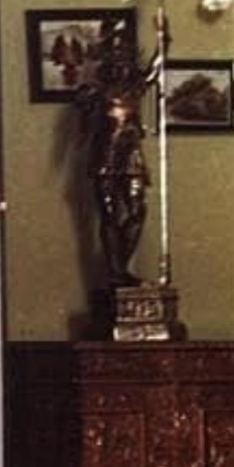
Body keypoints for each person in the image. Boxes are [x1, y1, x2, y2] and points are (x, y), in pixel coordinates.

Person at [75, 21, 149, 287]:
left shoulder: (135, 88)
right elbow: (83, 119)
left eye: (124, 58)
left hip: (132, 157)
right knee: (108, 214)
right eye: (114, 57)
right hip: (104, 157)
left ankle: (121, 266)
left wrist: (164, 37)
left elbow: (155, 70)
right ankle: (116, 272)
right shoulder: (96, 91)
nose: (120, 64)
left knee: (137, 210)